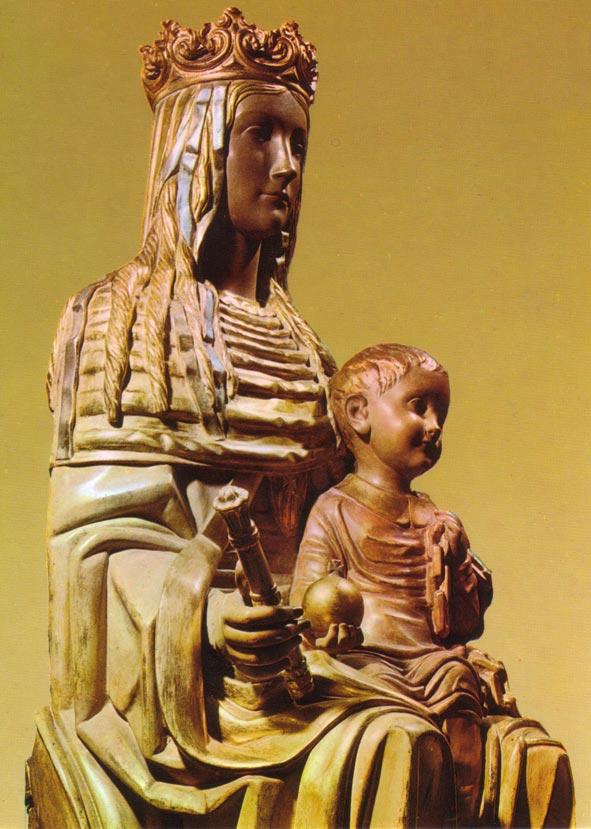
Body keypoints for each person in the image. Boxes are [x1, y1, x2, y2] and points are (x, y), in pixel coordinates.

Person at [31, 11, 458, 829]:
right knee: (389, 745)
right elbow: (96, 545)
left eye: (297, 142)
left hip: (311, 657)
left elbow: (341, 528)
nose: (286, 165)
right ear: (194, 146)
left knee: (493, 741)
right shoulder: (118, 325)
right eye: (259, 135)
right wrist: (212, 615)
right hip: (191, 685)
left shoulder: (304, 348)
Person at [291, 343, 575, 827]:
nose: (435, 425)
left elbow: (463, 623)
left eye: (440, 413)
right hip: (366, 660)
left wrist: (458, 559)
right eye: (418, 407)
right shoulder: (334, 508)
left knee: (459, 683)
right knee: (399, 734)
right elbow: (310, 595)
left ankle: (457, 813)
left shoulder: (436, 518)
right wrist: (325, 628)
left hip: (431, 661)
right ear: (360, 414)